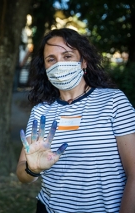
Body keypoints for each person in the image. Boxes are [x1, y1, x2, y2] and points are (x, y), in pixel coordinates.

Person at [16, 28, 135, 213]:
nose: (59, 64)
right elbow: (22, 174)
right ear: (45, 68)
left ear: (83, 62)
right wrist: (33, 169)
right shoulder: (41, 111)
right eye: (51, 59)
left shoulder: (113, 102)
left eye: (67, 56)